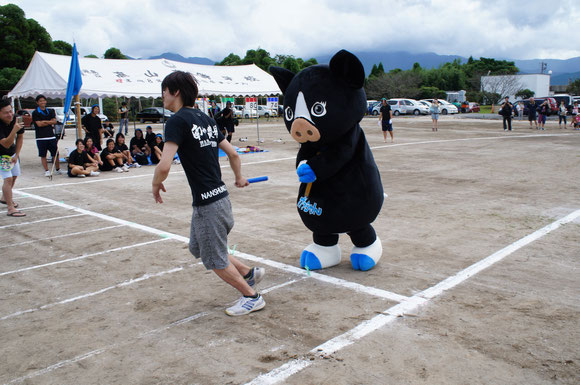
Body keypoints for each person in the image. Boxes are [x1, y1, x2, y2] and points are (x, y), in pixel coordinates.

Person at [153, 70, 265, 316]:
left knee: (213, 258)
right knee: (199, 248)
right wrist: (238, 177)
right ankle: (248, 273)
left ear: (176, 92)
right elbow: (234, 153)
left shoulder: (176, 121)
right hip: (220, 199)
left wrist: (155, 183)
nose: (162, 95)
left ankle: (251, 297)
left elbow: (164, 165)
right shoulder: (206, 119)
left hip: (208, 204)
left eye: (164, 90)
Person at [0, 97, 25, 217]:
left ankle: (5, 198)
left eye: (11, 111)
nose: (10, 115)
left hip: (12, 152)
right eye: (6, 113)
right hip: (1, 154)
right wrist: (14, 130)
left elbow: (20, 138)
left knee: (15, 175)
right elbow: (6, 143)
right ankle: (10, 208)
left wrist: (17, 155)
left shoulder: (16, 119)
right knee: (8, 178)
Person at [31, 95, 62, 176]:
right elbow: (39, 124)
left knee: (55, 153)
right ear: (37, 102)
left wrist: (44, 122)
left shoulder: (51, 111)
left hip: (51, 136)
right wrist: (49, 122)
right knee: (43, 155)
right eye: (40, 101)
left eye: (44, 100)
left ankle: (58, 169)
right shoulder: (35, 113)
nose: (42, 102)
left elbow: (54, 121)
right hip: (41, 137)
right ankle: (47, 170)